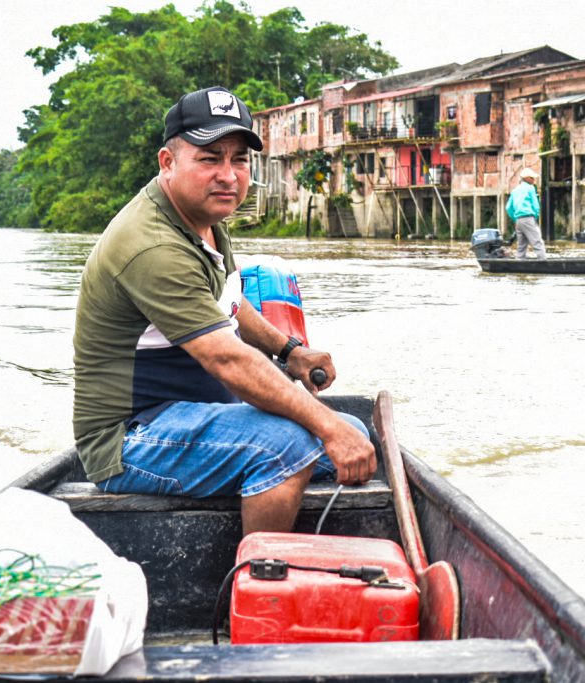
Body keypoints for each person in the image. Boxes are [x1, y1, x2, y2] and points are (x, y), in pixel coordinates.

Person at [72, 86, 376, 536]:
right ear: (168, 162)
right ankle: (259, 581)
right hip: (130, 440)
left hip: (190, 414)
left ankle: (257, 486)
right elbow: (226, 358)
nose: (228, 175)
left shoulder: (203, 220)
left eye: (239, 160)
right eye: (209, 158)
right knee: (287, 446)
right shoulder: (152, 245)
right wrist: (326, 428)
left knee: (355, 430)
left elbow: (230, 303)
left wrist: (291, 351)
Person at [506, 167, 546, 259]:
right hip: (528, 218)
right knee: (538, 242)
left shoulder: (515, 190)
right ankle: (543, 262)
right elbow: (536, 205)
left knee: (521, 246)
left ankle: (519, 263)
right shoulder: (530, 188)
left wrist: (515, 219)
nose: (533, 180)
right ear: (527, 178)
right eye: (532, 178)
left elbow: (508, 208)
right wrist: (535, 217)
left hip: (518, 221)